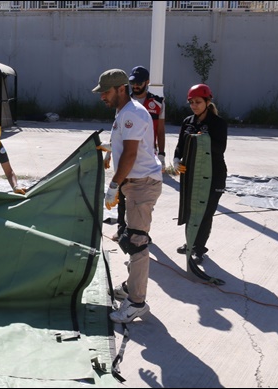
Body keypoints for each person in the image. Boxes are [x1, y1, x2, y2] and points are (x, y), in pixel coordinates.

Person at [93, 69, 162, 324]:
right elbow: (128, 145)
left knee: (138, 243)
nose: (102, 97)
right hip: (133, 185)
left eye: (106, 92)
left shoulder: (131, 113)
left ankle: (136, 302)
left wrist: (113, 185)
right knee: (129, 237)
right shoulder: (123, 112)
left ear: (121, 89)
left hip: (141, 184)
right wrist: (111, 147)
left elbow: (131, 154)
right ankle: (131, 286)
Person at [106, 66, 166, 242]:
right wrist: (110, 151)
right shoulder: (124, 104)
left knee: (139, 204)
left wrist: (162, 154)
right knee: (124, 199)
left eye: (139, 82)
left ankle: (138, 233)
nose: (136, 86)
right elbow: (120, 136)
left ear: (147, 82)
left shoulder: (156, 103)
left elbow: (160, 130)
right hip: (130, 158)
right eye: (132, 82)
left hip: (145, 156)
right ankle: (125, 228)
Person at [173, 84, 227, 263]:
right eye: (191, 102)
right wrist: (176, 159)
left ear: (207, 101)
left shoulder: (218, 123)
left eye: (198, 102)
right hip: (191, 174)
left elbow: (220, 149)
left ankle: (199, 248)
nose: (194, 106)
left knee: (205, 212)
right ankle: (190, 242)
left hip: (213, 176)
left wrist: (201, 138)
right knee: (191, 210)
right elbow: (180, 145)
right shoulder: (188, 121)